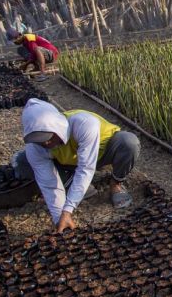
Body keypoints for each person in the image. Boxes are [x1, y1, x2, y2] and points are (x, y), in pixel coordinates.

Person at [12, 98, 140, 233]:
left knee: (128, 142)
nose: (46, 144)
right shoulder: (35, 148)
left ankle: (116, 184)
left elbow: (86, 168)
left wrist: (68, 209)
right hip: (68, 163)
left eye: (48, 137)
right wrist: (60, 217)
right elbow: (49, 183)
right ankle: (76, 185)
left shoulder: (83, 123)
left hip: (99, 155)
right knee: (23, 162)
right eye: (40, 141)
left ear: (57, 127)